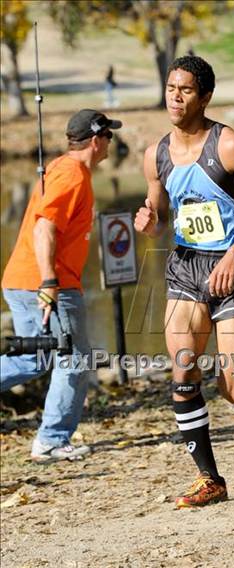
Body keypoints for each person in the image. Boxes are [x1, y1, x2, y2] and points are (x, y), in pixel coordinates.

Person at [134, 56, 234, 508]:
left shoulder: (231, 145)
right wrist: (149, 222)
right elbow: (159, 214)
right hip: (185, 268)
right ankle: (210, 479)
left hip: (233, 273)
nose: (175, 97)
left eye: (184, 90)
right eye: (170, 88)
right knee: (183, 370)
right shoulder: (155, 153)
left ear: (205, 97)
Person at [1, 109, 122, 462]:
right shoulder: (71, 175)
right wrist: (49, 282)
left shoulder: (61, 168)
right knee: (75, 359)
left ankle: (52, 438)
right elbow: (44, 228)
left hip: (21, 280)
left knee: (33, 361)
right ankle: (52, 440)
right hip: (47, 285)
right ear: (96, 140)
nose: (112, 143)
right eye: (109, 136)